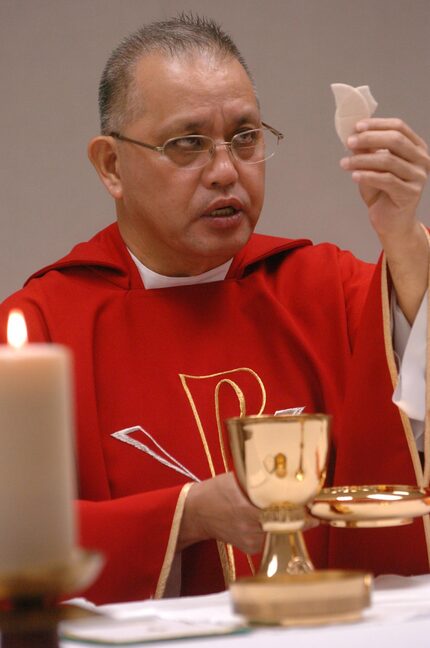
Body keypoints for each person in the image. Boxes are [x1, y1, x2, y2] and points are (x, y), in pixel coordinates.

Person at [1, 14, 429, 604]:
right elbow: (13, 540)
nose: (226, 171)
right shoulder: (41, 330)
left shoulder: (323, 287)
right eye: (188, 144)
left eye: (245, 137)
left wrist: (403, 237)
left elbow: (412, 415)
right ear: (111, 166)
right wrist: (185, 514)